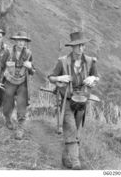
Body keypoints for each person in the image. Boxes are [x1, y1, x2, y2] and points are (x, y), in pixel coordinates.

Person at [48, 31, 99, 170]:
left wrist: (93, 79)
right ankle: (76, 161)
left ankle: (65, 157)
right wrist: (60, 78)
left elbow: (96, 76)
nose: (81, 48)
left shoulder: (89, 61)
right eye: (78, 46)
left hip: (82, 102)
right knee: (70, 128)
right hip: (67, 100)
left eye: (83, 45)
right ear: (72, 47)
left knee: (75, 130)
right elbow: (51, 77)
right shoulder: (62, 61)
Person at [0, 31, 35, 140]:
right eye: (19, 40)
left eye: (23, 40)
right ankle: (8, 119)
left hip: (22, 82)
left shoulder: (28, 54)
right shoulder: (8, 53)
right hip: (9, 82)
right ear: (16, 41)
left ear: (25, 42)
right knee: (7, 102)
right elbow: (0, 66)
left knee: (22, 104)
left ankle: (20, 128)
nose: (21, 43)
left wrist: (30, 67)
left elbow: (33, 71)